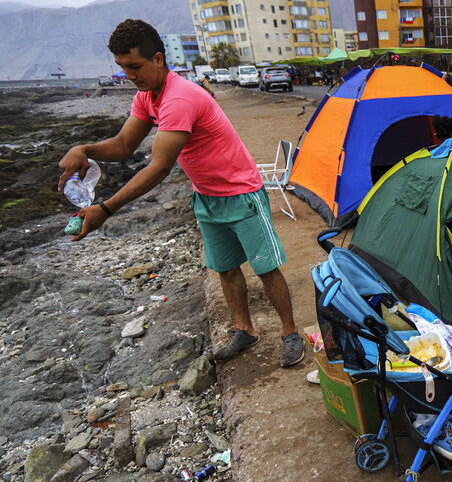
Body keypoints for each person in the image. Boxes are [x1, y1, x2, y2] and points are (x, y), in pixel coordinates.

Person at [58, 19, 304, 367]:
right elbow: (125, 144)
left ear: (158, 59)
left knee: (266, 269)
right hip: (206, 196)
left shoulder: (180, 97)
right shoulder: (148, 97)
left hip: (242, 194)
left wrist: (106, 208)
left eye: (134, 66)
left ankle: (290, 332)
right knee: (226, 269)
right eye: (122, 67)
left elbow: (158, 167)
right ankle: (245, 330)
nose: (128, 75)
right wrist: (84, 148)